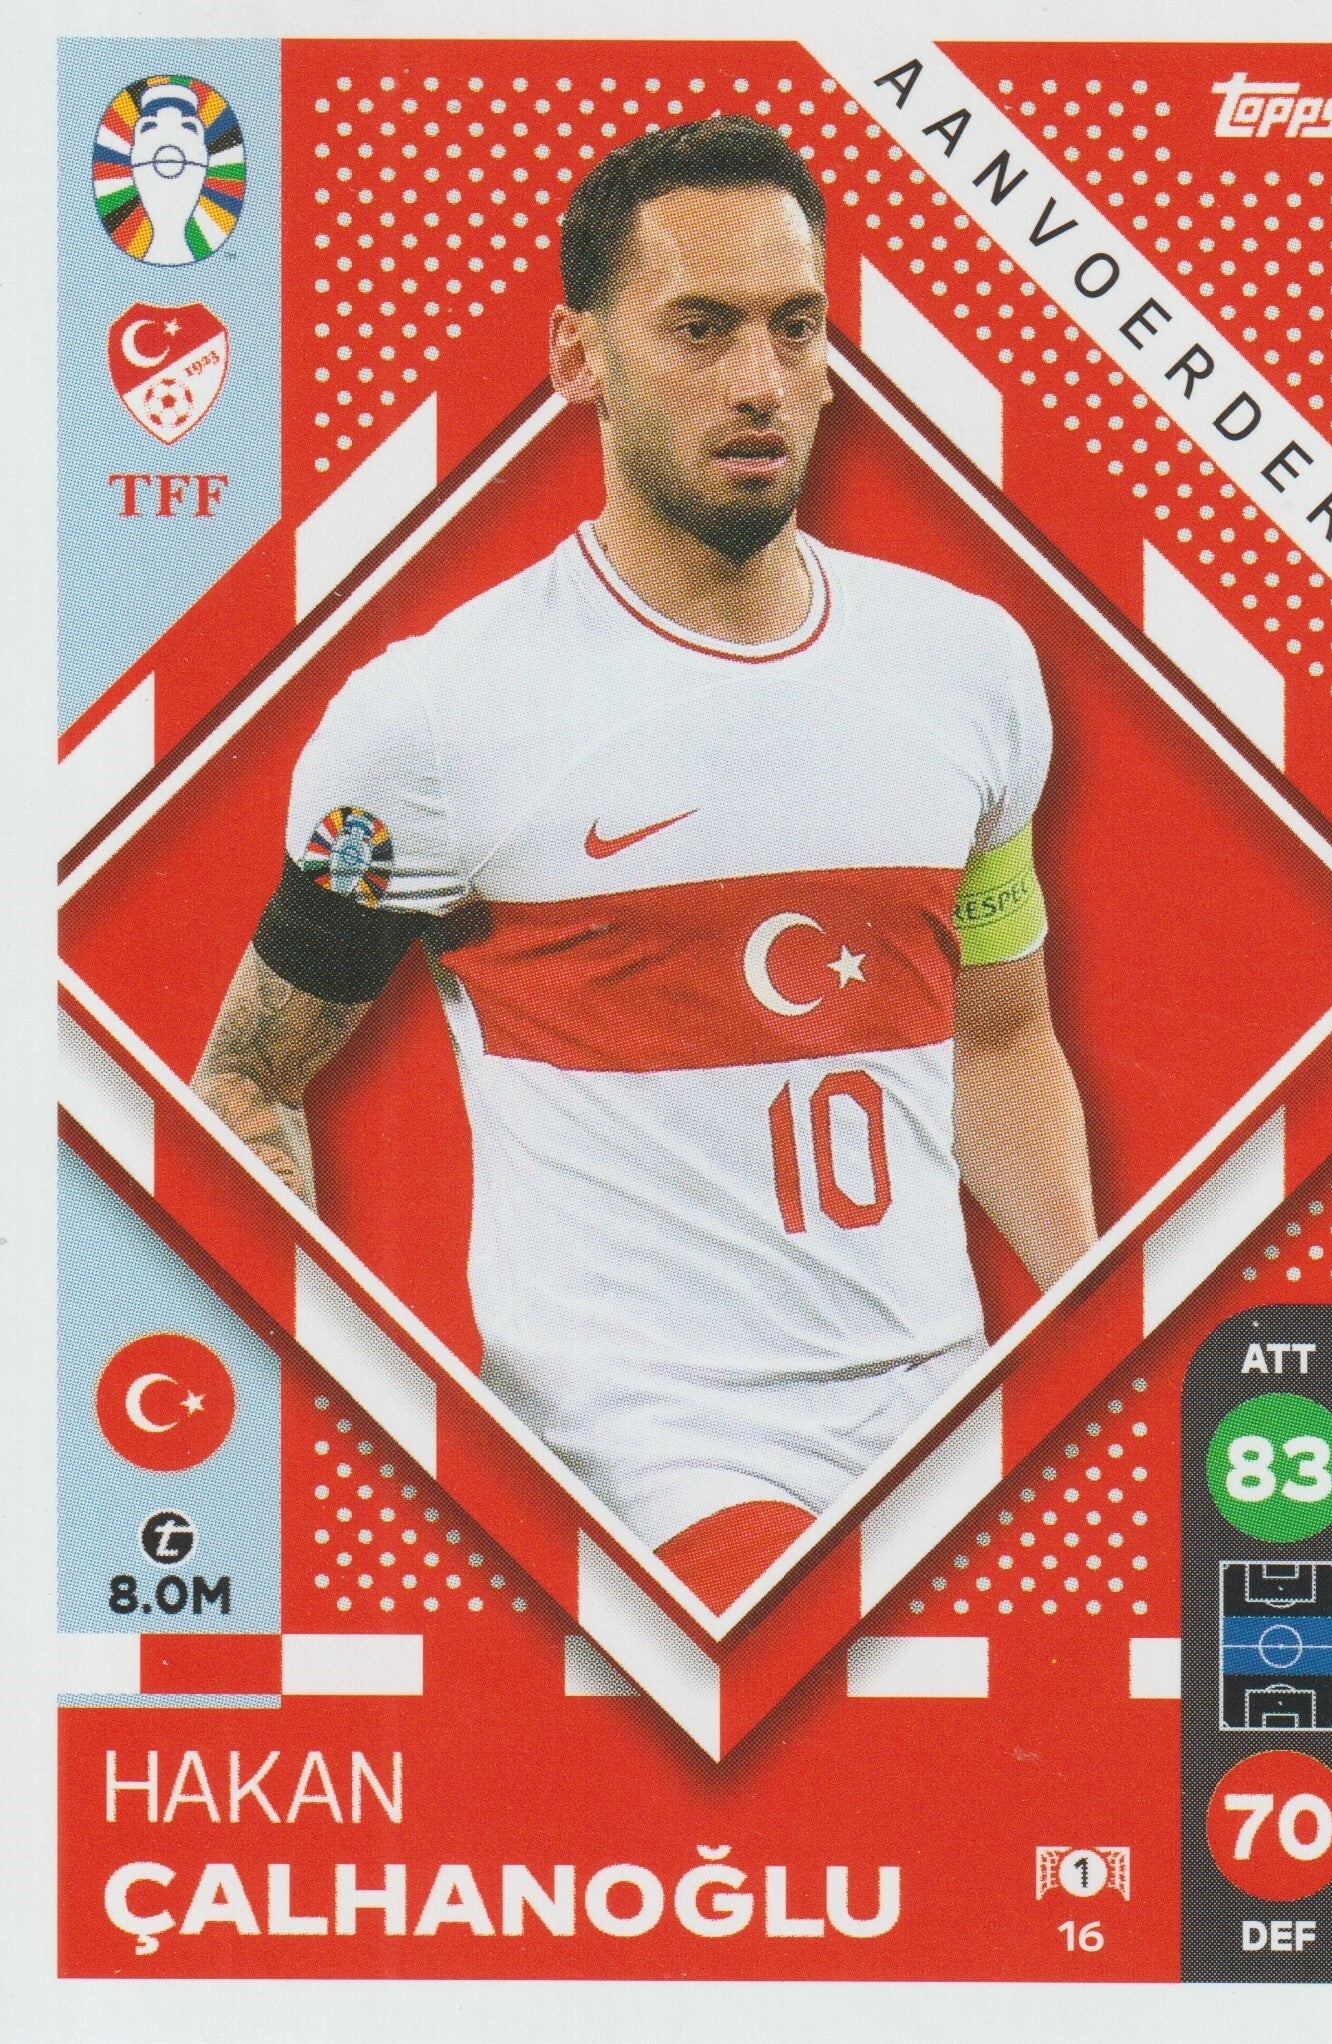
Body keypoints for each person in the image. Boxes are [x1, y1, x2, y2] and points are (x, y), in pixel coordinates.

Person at [193, 117, 1096, 1613]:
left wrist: (1102, 1349)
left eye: (795, 326)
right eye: (701, 327)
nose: (761, 381)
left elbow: (999, 1038)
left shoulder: (971, 664)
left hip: (940, 1417)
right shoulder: (434, 717)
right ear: (579, 357)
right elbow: (246, 1081)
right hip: (644, 1457)